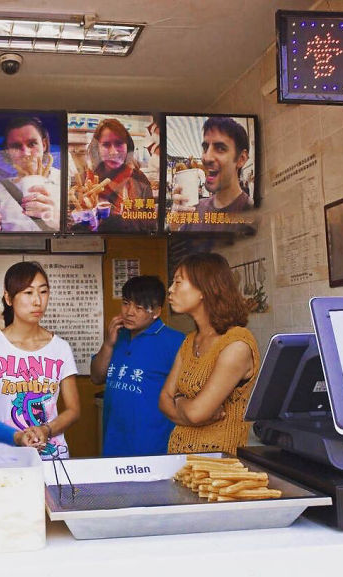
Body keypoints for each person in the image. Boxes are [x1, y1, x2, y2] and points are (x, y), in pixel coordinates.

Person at [0, 261, 80, 458]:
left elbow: (73, 410)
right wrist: (17, 437)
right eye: (28, 293)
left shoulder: (60, 348)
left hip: (53, 460)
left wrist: (46, 430)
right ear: (9, 298)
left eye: (43, 292)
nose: (37, 301)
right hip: (6, 460)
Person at [158, 252, 260, 454]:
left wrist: (177, 400)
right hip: (180, 461)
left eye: (178, 282)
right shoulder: (189, 341)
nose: (170, 289)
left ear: (205, 289)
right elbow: (163, 399)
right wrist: (185, 405)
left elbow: (195, 413)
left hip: (218, 469)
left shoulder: (236, 343)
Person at [90, 276, 184, 457]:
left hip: (154, 448)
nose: (129, 312)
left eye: (139, 307)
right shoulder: (118, 336)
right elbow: (96, 377)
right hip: (113, 444)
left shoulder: (175, 342)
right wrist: (109, 344)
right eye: (126, 303)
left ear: (156, 311)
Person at [0, 117, 59, 232]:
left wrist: (60, 222)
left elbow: (83, 227)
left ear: (44, 144)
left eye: (32, 144)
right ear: (8, 152)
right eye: (16, 146)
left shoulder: (65, 182)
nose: (26, 153)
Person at [173, 117, 254, 232]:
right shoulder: (195, 210)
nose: (207, 158)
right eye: (205, 148)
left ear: (241, 158)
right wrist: (173, 227)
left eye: (220, 148)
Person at [86, 118, 155, 232]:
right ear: (97, 148)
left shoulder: (140, 180)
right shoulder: (87, 181)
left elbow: (151, 226)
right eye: (106, 145)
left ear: (128, 146)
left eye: (119, 143)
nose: (113, 152)